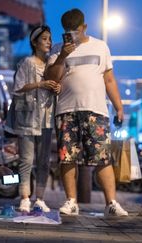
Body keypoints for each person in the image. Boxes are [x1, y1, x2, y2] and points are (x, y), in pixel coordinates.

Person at [45, 8, 128, 217]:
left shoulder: (101, 46)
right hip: (66, 110)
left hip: (96, 110)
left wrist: (118, 106)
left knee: (102, 158)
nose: (72, 34)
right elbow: (52, 78)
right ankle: (71, 201)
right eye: (67, 31)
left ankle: (111, 203)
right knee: (67, 157)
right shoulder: (57, 50)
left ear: (84, 27)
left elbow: (109, 79)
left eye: (76, 30)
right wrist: (63, 55)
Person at [8, 25, 61, 213]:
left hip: (46, 118)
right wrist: (40, 83)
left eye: (50, 38)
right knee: (26, 160)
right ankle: (24, 197)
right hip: (28, 117)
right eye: (45, 38)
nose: (49, 42)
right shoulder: (27, 62)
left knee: (44, 160)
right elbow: (18, 87)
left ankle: (40, 198)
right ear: (34, 41)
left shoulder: (51, 64)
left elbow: (57, 84)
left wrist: (56, 88)